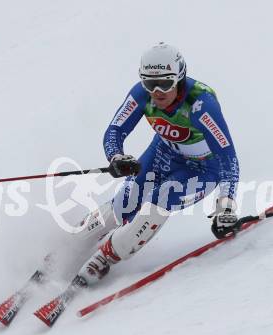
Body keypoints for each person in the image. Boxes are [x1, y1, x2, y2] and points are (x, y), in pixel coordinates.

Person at [71, 42, 240, 288]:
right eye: (150, 83)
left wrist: (226, 208)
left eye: (165, 83)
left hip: (205, 169)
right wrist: (116, 157)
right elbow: (114, 131)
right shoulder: (141, 95)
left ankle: (107, 256)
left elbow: (228, 159)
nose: (157, 91)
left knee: (163, 197)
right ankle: (72, 244)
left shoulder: (201, 105)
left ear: (179, 78)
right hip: (162, 154)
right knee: (125, 201)